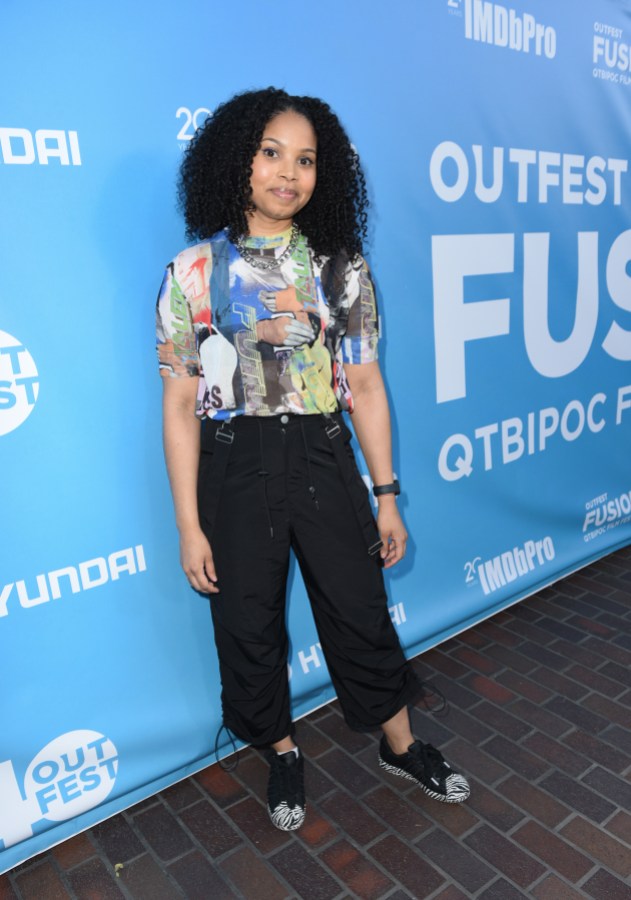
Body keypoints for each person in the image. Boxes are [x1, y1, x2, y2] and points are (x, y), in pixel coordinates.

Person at [156, 87, 470, 832]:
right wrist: (188, 527)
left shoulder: (339, 269)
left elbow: (362, 383)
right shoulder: (191, 273)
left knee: (359, 613)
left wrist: (385, 493)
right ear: (236, 160)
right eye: (271, 153)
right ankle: (282, 750)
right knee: (247, 623)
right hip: (231, 466)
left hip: (324, 455)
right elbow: (177, 407)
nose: (288, 173)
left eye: (305, 160)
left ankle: (399, 744)